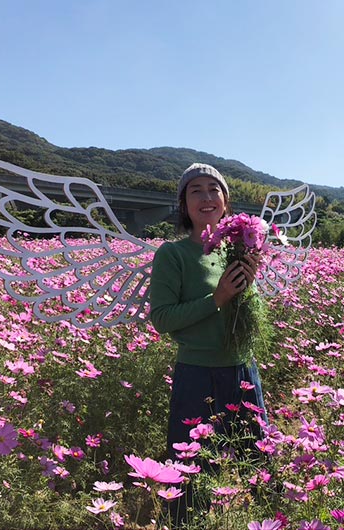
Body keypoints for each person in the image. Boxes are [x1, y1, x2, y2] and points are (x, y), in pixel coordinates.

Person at [149, 163, 267, 526]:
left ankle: (268, 518)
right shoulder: (173, 254)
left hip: (242, 368)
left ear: (226, 202)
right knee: (189, 471)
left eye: (214, 189)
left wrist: (249, 284)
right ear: (184, 204)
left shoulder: (237, 250)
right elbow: (162, 318)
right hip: (196, 373)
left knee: (258, 461)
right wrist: (217, 297)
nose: (206, 197)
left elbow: (248, 314)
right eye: (195, 190)